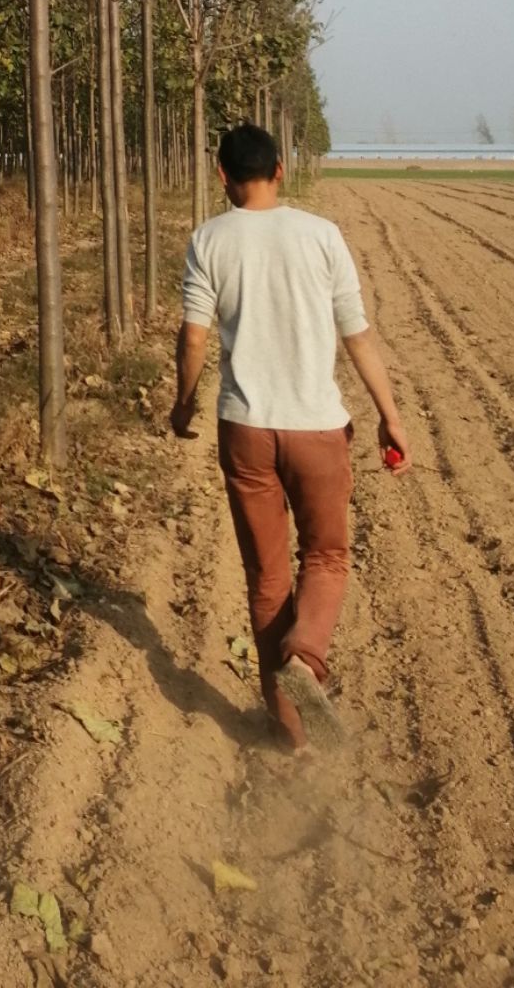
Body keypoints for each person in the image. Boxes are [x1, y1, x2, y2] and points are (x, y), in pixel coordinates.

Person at [171, 120, 409, 749]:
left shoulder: (208, 240)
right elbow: (357, 333)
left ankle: (291, 733)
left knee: (267, 581)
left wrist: (182, 402)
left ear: (221, 176)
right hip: (317, 428)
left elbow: (194, 337)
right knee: (327, 557)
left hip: (245, 429)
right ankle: (307, 656)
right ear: (280, 171)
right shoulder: (322, 235)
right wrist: (390, 415)